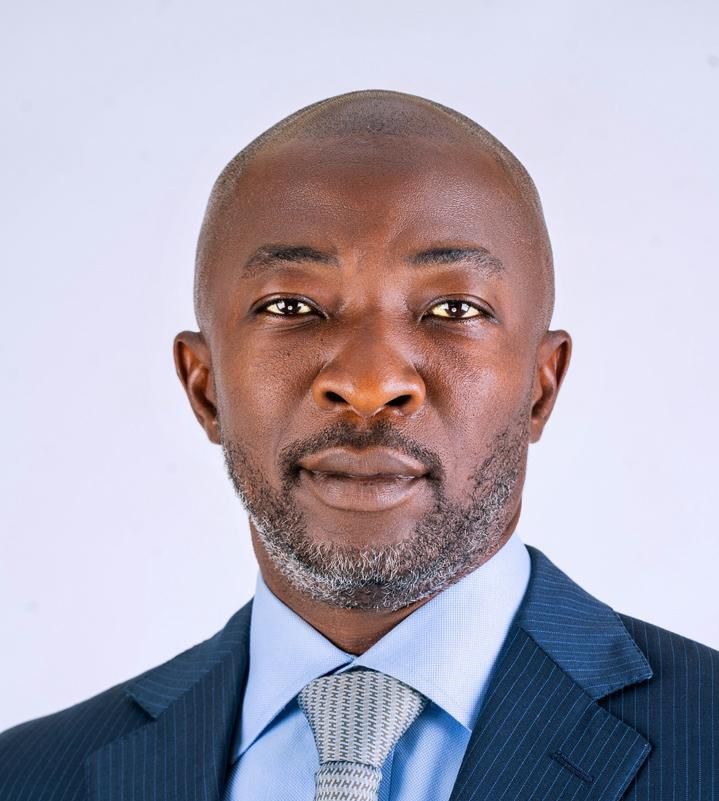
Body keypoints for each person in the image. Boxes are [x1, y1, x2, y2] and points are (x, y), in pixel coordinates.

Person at [1, 89, 716, 801]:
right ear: (205, 386)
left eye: (454, 308)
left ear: (540, 385)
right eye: (290, 306)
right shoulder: (28, 777)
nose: (370, 383)